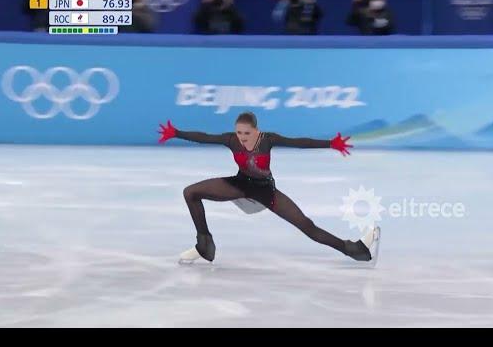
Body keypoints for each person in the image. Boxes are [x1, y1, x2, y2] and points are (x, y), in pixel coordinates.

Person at [157, 112, 380, 264]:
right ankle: (204, 245)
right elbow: (204, 138)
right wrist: (177, 133)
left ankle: (356, 249)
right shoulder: (231, 140)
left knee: (306, 226)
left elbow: (298, 142)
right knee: (191, 192)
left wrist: (330, 143)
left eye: (246, 133)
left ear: (256, 130)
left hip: (265, 191)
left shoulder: (267, 140)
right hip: (239, 184)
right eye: (239, 133)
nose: (242, 138)